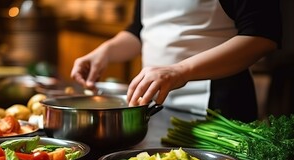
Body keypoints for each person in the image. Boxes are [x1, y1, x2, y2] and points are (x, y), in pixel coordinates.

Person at [70, 0, 282, 122]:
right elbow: (141, 30)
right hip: (157, 105)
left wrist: (181, 70)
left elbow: (262, 37)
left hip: (217, 106)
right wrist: (106, 51)